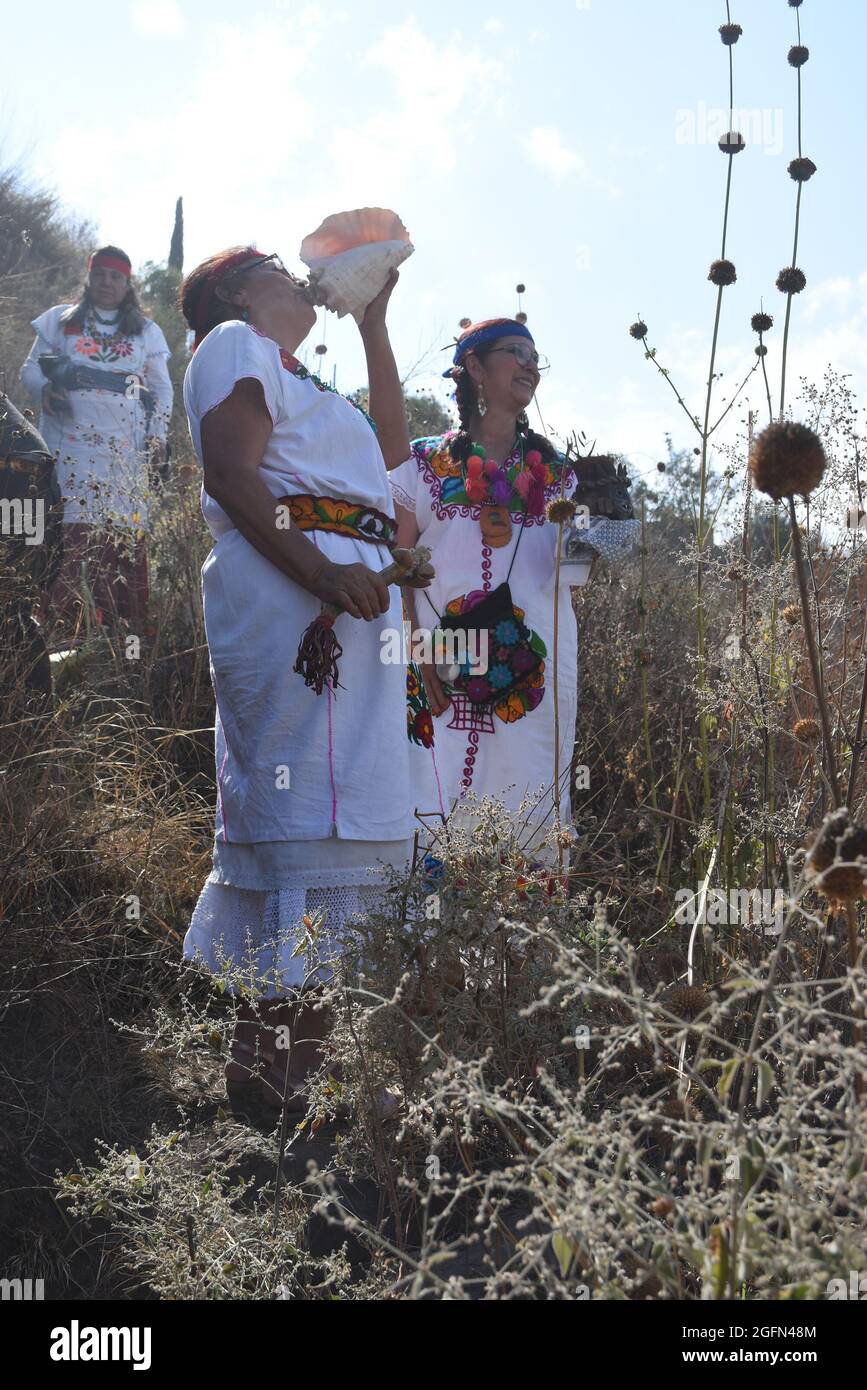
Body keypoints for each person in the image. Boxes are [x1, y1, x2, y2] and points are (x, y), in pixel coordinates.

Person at [179, 245, 420, 1113]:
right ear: (234, 291)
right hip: (295, 597)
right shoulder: (232, 344)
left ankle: (287, 1097)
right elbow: (232, 473)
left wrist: (374, 325)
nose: (296, 274)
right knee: (300, 832)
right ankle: (264, 1099)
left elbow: (392, 459)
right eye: (277, 264)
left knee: (341, 835)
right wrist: (320, 573)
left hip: (351, 605)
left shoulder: (309, 386)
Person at [391, 317, 620, 862]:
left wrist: (609, 527)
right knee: (436, 797)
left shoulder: (562, 475)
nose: (529, 364)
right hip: (441, 661)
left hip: (533, 663)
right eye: (516, 352)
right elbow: (397, 569)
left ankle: (524, 943)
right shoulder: (423, 464)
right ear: (473, 366)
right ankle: (431, 940)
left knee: (528, 796)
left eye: (536, 357)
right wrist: (419, 659)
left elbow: (574, 572)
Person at [20, 245, 173, 638]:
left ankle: (124, 654)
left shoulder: (146, 331)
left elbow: (162, 389)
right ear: (89, 277)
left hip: (125, 457)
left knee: (123, 551)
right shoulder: (60, 321)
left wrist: (157, 437)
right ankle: (54, 645)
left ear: (127, 284)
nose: (107, 282)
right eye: (100, 274)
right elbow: (30, 369)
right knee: (65, 546)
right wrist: (46, 391)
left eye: (115, 276)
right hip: (68, 450)